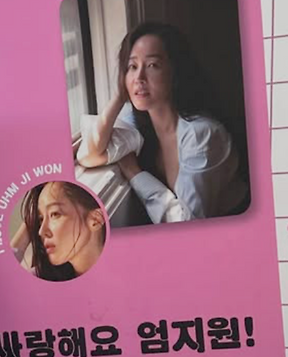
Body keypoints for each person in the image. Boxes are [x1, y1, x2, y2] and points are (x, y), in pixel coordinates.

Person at [77, 22, 248, 224]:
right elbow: (89, 155)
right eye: (132, 67)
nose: (139, 77)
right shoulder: (137, 119)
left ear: (176, 71)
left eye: (152, 65)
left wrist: (134, 173)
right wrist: (120, 95)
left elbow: (188, 223)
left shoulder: (201, 134)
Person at [12, 181, 105, 281]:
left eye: (55, 214)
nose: (41, 231)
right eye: (40, 219)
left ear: (95, 220)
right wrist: (29, 224)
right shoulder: (42, 278)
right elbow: (3, 276)